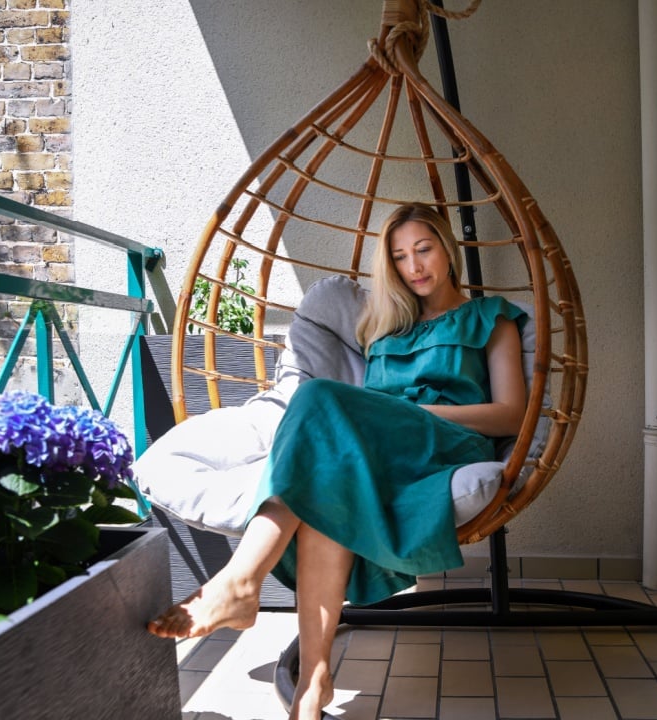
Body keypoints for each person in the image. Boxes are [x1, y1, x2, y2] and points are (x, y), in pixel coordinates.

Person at [147, 203, 527, 720]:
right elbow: (362, 416)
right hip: (378, 454)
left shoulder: (492, 317)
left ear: (447, 249)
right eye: (399, 257)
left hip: (444, 444)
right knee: (323, 489)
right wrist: (384, 413)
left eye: (424, 249)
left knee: (318, 397)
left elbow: (511, 416)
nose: (414, 266)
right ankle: (314, 681)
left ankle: (240, 581)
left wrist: (412, 411)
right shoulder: (385, 330)